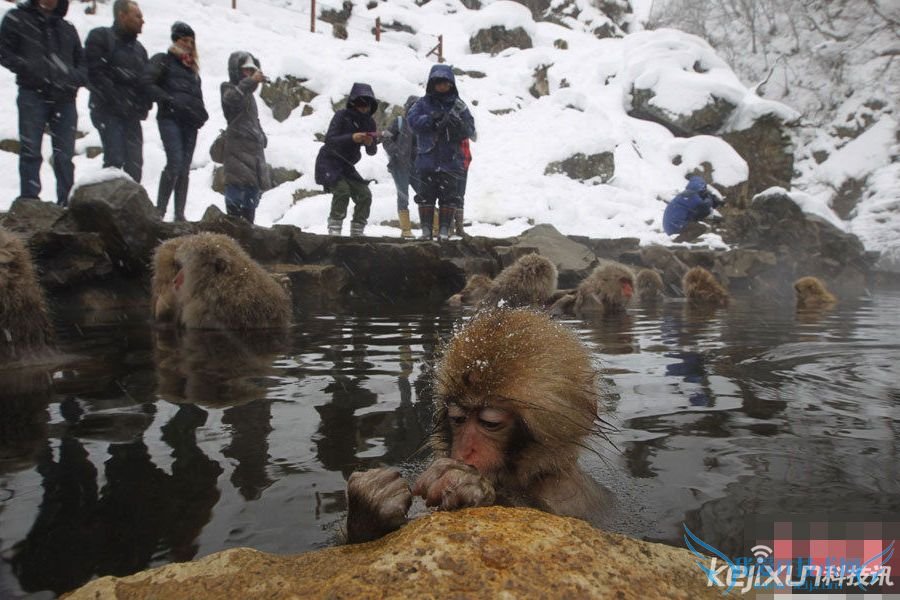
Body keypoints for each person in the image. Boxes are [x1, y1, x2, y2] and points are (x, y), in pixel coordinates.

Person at [0, 0, 86, 207]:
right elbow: (4, 51)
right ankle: (30, 201)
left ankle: (66, 203)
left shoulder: (66, 28)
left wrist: (73, 78)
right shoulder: (17, 18)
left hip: (65, 98)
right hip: (33, 93)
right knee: (31, 150)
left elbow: (82, 62)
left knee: (64, 155)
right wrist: (27, 68)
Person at [144, 22, 208, 222]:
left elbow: (198, 98)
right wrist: (168, 100)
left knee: (184, 168)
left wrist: (201, 114)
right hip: (169, 118)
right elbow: (147, 82)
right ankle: (160, 211)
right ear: (175, 40)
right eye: (184, 40)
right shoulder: (163, 60)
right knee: (175, 162)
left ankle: (179, 214)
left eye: (191, 41)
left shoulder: (193, 71)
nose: (188, 45)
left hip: (189, 122)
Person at [407, 64, 476, 241]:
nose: (442, 86)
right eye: (438, 82)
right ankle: (426, 231)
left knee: (449, 197)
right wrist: (431, 120)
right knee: (425, 197)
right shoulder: (422, 104)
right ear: (432, 84)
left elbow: (470, 129)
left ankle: (445, 230)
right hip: (427, 159)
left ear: (451, 83)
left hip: (451, 161)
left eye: (446, 82)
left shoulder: (459, 106)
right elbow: (412, 121)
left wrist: (457, 127)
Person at [84, 0, 151, 182]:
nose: (142, 20)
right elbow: (95, 73)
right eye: (137, 16)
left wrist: (144, 105)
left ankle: (130, 200)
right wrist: (116, 98)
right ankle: (109, 198)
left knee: (135, 165)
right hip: (107, 110)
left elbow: (145, 82)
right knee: (114, 159)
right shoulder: (100, 37)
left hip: (131, 114)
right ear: (122, 15)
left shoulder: (140, 50)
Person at [315, 83, 379, 237]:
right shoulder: (342, 116)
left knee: (365, 194)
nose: (364, 108)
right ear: (353, 103)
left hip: (347, 165)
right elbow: (330, 140)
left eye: (367, 104)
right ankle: (334, 228)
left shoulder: (369, 122)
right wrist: (352, 138)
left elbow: (372, 151)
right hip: (329, 161)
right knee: (342, 191)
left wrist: (370, 143)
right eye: (360, 103)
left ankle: (357, 230)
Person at [220, 51, 270, 224]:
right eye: (245, 70)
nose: (249, 74)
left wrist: (261, 135)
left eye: (252, 71)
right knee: (235, 188)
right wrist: (250, 82)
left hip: (254, 149)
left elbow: (254, 118)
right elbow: (231, 99)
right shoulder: (228, 88)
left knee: (251, 194)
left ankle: (248, 229)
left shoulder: (250, 96)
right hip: (237, 147)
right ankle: (233, 227)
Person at [383, 95, 419, 239]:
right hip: (399, 166)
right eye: (413, 107)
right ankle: (405, 230)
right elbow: (386, 138)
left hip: (416, 167)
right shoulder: (399, 122)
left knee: (425, 195)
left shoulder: (421, 125)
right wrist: (396, 152)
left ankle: (434, 228)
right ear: (408, 108)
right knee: (403, 196)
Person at [455, 137, 472, 237]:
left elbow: (473, 136)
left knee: (460, 195)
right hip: (452, 164)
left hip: (463, 163)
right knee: (450, 196)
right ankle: (449, 227)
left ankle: (459, 227)